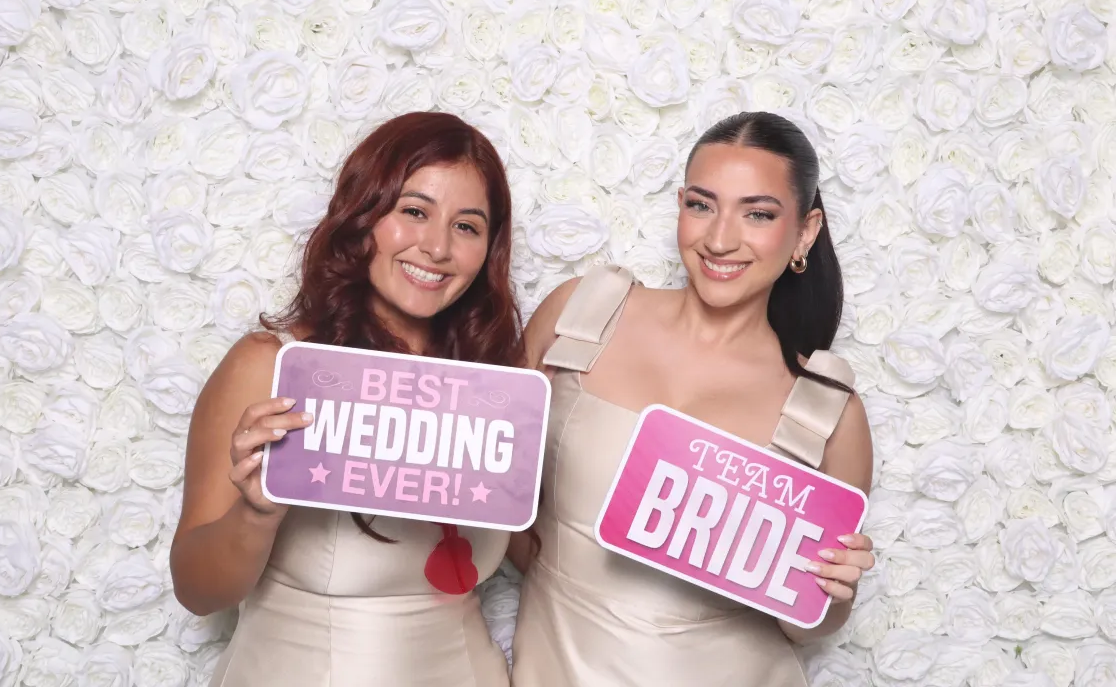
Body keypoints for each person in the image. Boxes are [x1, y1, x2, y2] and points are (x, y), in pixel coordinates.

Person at [508, 111, 876, 686]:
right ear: (680, 205)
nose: (720, 239)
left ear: (805, 232)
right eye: (702, 205)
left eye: (758, 214)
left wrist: (835, 590)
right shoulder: (582, 312)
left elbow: (808, 622)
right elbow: (499, 499)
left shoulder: (828, 411)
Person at [171, 112, 524, 687]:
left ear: (489, 249)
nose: (437, 247)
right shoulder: (270, 365)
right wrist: (255, 515)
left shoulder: (495, 389)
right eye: (414, 211)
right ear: (363, 215)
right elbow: (196, 591)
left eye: (466, 226)